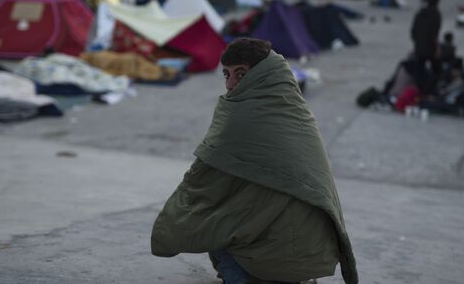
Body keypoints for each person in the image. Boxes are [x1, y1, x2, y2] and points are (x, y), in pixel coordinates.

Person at [151, 38, 358, 284]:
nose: (230, 84)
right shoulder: (296, 110)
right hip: (311, 260)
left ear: (262, 75)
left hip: (270, 260)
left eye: (240, 74)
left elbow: (199, 182)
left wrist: (170, 227)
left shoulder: (241, 116)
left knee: (211, 222)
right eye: (226, 75)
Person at [410, 0, 442, 94]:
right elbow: (434, 33)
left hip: (419, 47)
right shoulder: (436, 14)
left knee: (420, 70)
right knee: (437, 70)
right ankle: (430, 89)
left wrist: (417, 43)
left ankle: (419, 89)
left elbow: (413, 31)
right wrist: (437, 48)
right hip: (430, 47)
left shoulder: (420, 13)